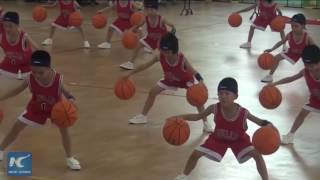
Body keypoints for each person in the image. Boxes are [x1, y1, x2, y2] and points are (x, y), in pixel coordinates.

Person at [174, 77, 271, 180]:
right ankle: (184, 176)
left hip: (239, 140)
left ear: (235, 96)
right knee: (195, 154)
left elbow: (259, 122)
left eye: (227, 93)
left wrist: (269, 125)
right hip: (218, 140)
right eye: (220, 93)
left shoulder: (243, 112)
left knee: (257, 155)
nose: (223, 96)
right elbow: (198, 117)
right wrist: (181, 117)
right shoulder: (214, 108)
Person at [0, 50, 81, 170]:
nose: (37, 75)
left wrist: (72, 101)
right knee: (16, 127)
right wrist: (2, 97)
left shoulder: (58, 80)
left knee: (65, 132)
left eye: (41, 72)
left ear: (49, 68)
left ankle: (70, 158)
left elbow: (69, 95)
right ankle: (1, 149)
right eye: (34, 71)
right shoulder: (30, 79)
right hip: (36, 108)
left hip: (56, 110)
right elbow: (17, 90)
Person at [124, 33, 212, 132]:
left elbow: (194, 71)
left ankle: (206, 123)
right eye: (162, 50)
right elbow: (145, 65)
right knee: (152, 92)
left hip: (186, 81)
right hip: (170, 80)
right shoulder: (160, 56)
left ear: (174, 51)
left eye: (167, 51)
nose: (164, 53)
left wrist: (201, 81)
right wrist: (131, 73)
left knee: (198, 100)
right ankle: (142, 116)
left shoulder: (181, 59)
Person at [270, 45, 320, 144]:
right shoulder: (305, 72)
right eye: (306, 65)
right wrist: (275, 84)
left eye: (312, 66)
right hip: (315, 100)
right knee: (302, 114)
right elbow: (291, 78)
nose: (309, 68)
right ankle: (290, 135)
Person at [120, 0, 175, 70]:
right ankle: (130, 63)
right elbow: (137, 26)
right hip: (150, 39)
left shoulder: (161, 19)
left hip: (161, 41)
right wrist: (129, 31)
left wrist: (171, 34)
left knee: (164, 56)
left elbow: (172, 26)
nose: (149, 12)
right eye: (147, 10)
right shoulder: (145, 19)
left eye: (152, 9)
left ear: (157, 9)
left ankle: (171, 66)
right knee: (138, 45)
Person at [261, 13, 314, 82]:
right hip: (292, 51)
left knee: (310, 68)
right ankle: (270, 76)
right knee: (276, 58)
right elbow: (281, 42)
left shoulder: (307, 37)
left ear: (303, 26)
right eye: (292, 26)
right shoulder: (290, 34)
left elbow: (315, 49)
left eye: (296, 26)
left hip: (305, 54)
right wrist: (271, 49)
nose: (294, 28)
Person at [0, 11, 39, 100]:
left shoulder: (23, 36)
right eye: (5, 26)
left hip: (26, 65)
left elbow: (37, 49)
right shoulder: (2, 36)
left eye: (10, 26)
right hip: (10, 62)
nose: (7, 29)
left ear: (17, 26)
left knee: (35, 86)